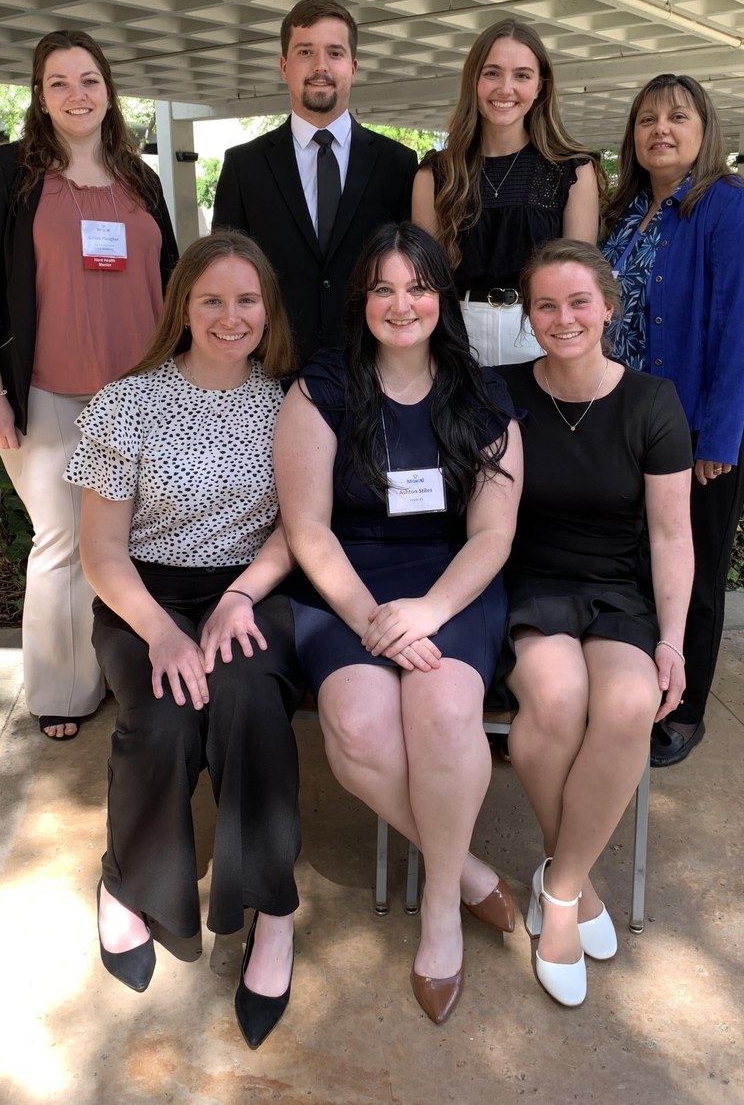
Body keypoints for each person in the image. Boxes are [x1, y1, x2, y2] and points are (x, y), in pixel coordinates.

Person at [274, 223, 523, 1026]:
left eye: (416, 286)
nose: (401, 302)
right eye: (382, 288)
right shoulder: (321, 390)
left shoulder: (482, 394)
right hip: (348, 583)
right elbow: (307, 528)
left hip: (451, 581)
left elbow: (492, 532)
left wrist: (429, 612)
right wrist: (371, 619)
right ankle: (469, 872)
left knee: (446, 711)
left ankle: (440, 911)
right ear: (362, 301)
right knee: (357, 728)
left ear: (440, 297)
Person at [64, 231, 304, 1050]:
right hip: (144, 595)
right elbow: (100, 553)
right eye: (212, 300)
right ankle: (129, 882)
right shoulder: (125, 402)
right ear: (183, 307)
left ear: (267, 308)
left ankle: (271, 907)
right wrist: (164, 633)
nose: (230, 316)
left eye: (246, 300)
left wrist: (237, 599)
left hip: (248, 590)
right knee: (162, 714)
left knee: (245, 703)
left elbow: (295, 531)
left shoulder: (288, 403)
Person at [0, 30, 178, 740]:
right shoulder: (5, 175)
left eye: (88, 80)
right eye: (59, 83)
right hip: (48, 392)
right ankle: (62, 690)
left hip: (139, 394)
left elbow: (171, 281)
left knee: (134, 541)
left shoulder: (140, 179)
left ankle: (122, 671)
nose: (76, 95)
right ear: (39, 97)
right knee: (62, 539)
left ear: (108, 90)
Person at [496, 239, 694, 1007]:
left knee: (628, 702)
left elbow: (673, 535)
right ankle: (570, 892)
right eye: (545, 304)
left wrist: (671, 639)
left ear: (610, 307)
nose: (563, 317)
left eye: (579, 301)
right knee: (554, 700)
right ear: (528, 316)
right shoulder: (499, 391)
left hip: (617, 589)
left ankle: (562, 884)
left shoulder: (652, 401)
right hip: (531, 582)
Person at [601, 74, 744, 767]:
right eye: (647, 118)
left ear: (706, 130)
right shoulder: (630, 209)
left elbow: (741, 332)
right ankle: (638, 686)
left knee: (694, 571)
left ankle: (685, 708)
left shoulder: (731, 207)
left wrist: (719, 436)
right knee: (642, 564)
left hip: (698, 426)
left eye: (677, 116)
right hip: (628, 420)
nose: (661, 129)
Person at [214, 0, 418, 364]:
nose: (320, 66)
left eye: (335, 53)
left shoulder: (398, 165)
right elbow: (224, 276)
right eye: (305, 52)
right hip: (272, 368)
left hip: (372, 369)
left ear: (353, 67)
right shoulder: (244, 166)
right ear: (283, 65)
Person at [412, 18, 603, 367]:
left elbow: (577, 281)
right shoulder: (436, 173)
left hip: (540, 333)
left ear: (540, 86)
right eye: (492, 73)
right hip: (457, 335)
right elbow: (427, 282)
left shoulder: (571, 171)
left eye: (522, 75)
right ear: (473, 80)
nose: (506, 88)